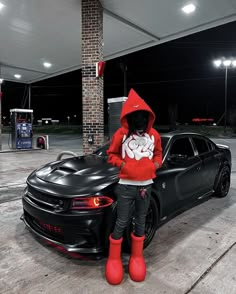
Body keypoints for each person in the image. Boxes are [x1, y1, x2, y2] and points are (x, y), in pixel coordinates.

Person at [105, 88, 162, 285]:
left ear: (148, 117)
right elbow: (111, 155)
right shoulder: (121, 135)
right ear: (128, 118)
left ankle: (137, 257)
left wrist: (154, 165)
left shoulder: (154, 135)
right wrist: (123, 165)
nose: (141, 121)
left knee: (140, 221)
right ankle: (114, 259)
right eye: (136, 117)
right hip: (126, 186)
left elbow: (158, 154)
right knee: (121, 222)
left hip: (146, 186)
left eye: (143, 117)